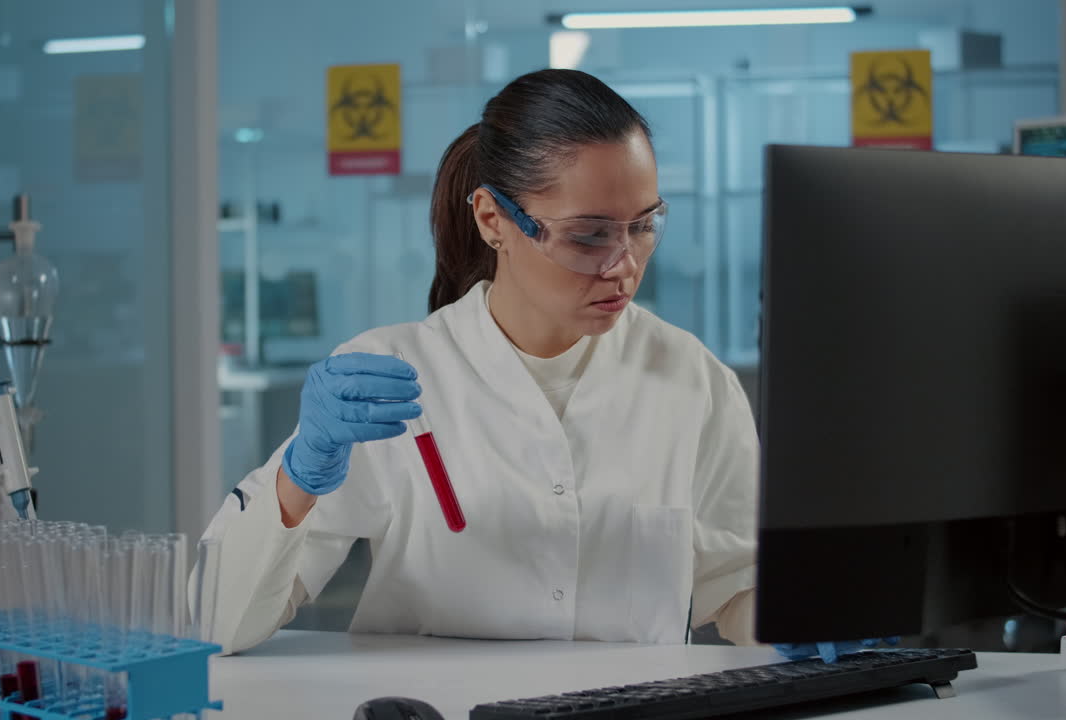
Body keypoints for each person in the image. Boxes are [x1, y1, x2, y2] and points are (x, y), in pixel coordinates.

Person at [195, 68, 761, 655]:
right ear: (493, 219)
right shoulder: (389, 379)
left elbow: (735, 583)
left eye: (643, 226)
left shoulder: (690, 376)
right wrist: (299, 476)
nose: (624, 264)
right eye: (589, 235)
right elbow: (219, 623)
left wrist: (814, 621)